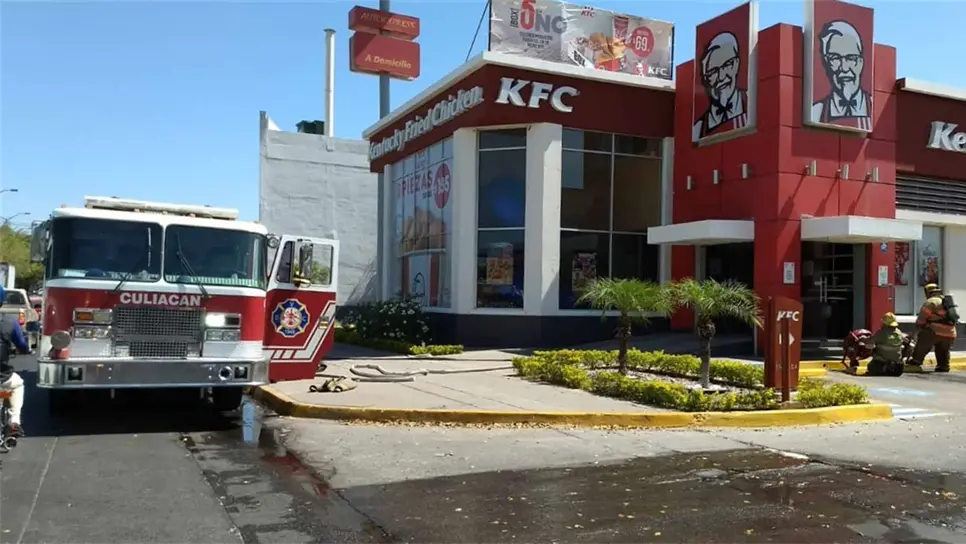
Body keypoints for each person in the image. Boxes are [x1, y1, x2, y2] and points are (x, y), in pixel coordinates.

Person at [810, 20, 873, 131]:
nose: (844, 68)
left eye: (851, 58)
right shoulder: (816, 112)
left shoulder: (875, 109)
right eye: (835, 58)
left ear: (860, 63)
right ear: (826, 63)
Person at [692, 31, 749, 142]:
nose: (721, 77)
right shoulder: (698, 129)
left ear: (736, 64)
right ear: (704, 79)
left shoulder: (753, 106)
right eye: (713, 71)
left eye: (727, 65)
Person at [0, 285, 32, 438]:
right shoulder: (10, 322)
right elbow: (21, 345)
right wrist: (26, 350)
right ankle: (14, 422)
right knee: (18, 385)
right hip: (3, 377)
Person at [911, 283, 956, 372]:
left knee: (923, 342)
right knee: (943, 349)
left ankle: (916, 361)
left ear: (928, 292)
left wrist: (918, 327)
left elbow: (922, 318)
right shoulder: (946, 301)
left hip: (935, 330)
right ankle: (943, 366)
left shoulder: (931, 302)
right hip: (950, 332)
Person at [867, 312, 906, 377]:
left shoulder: (882, 333)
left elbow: (870, 341)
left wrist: (862, 339)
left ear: (885, 323)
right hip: (897, 366)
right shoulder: (899, 333)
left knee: (870, 366)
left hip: (881, 363)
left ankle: (882, 368)